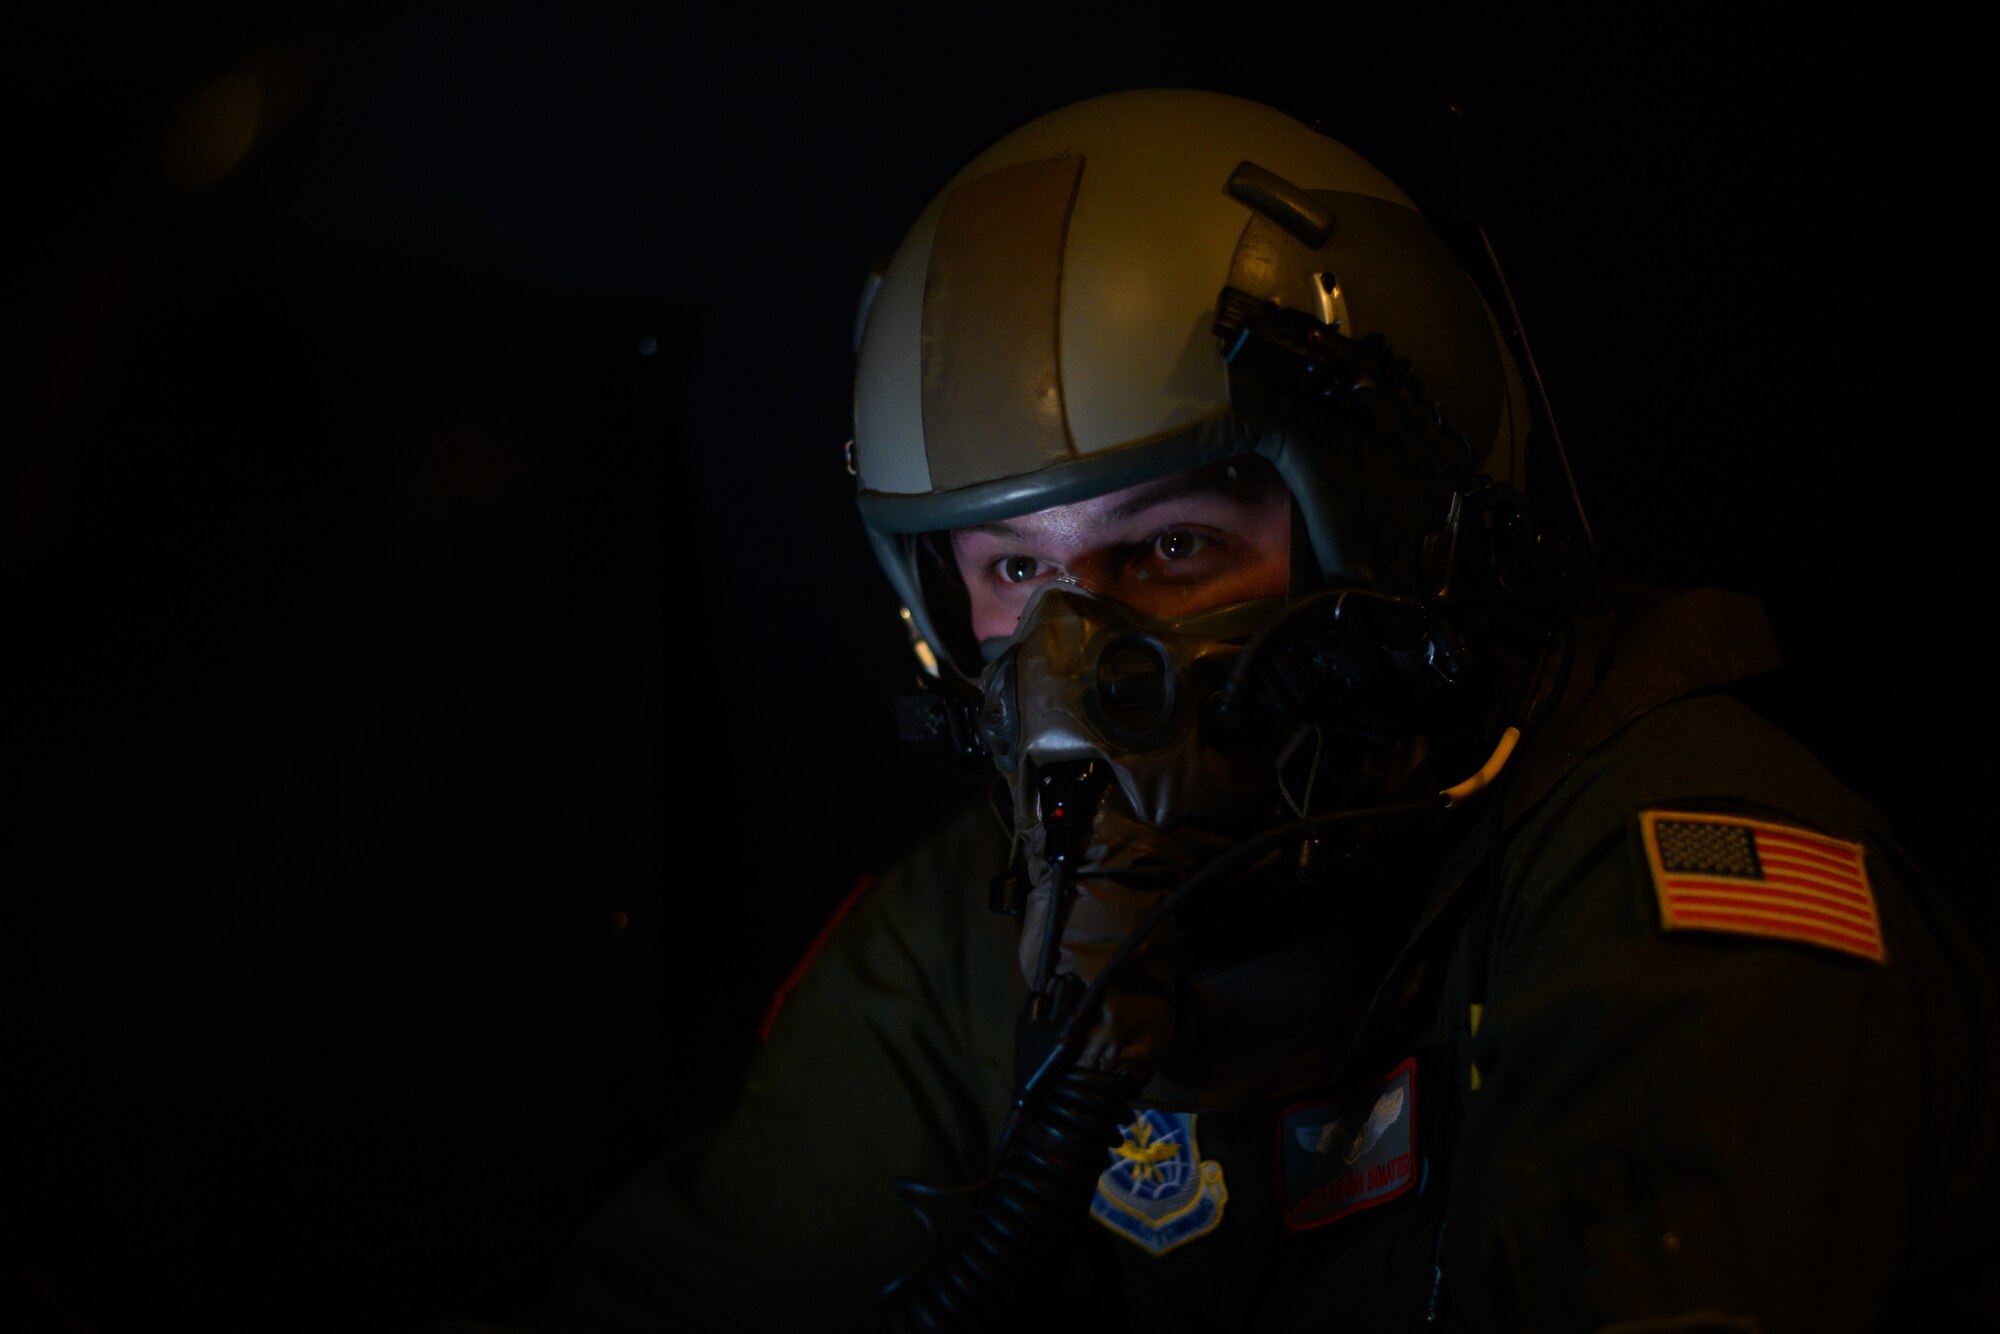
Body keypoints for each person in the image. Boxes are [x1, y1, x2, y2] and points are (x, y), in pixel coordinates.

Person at [453, 88, 1998, 1333]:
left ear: (1382, 540)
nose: (1077, 658)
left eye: (1171, 546)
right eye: (1011, 568)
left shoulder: (1667, 884)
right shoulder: (973, 933)